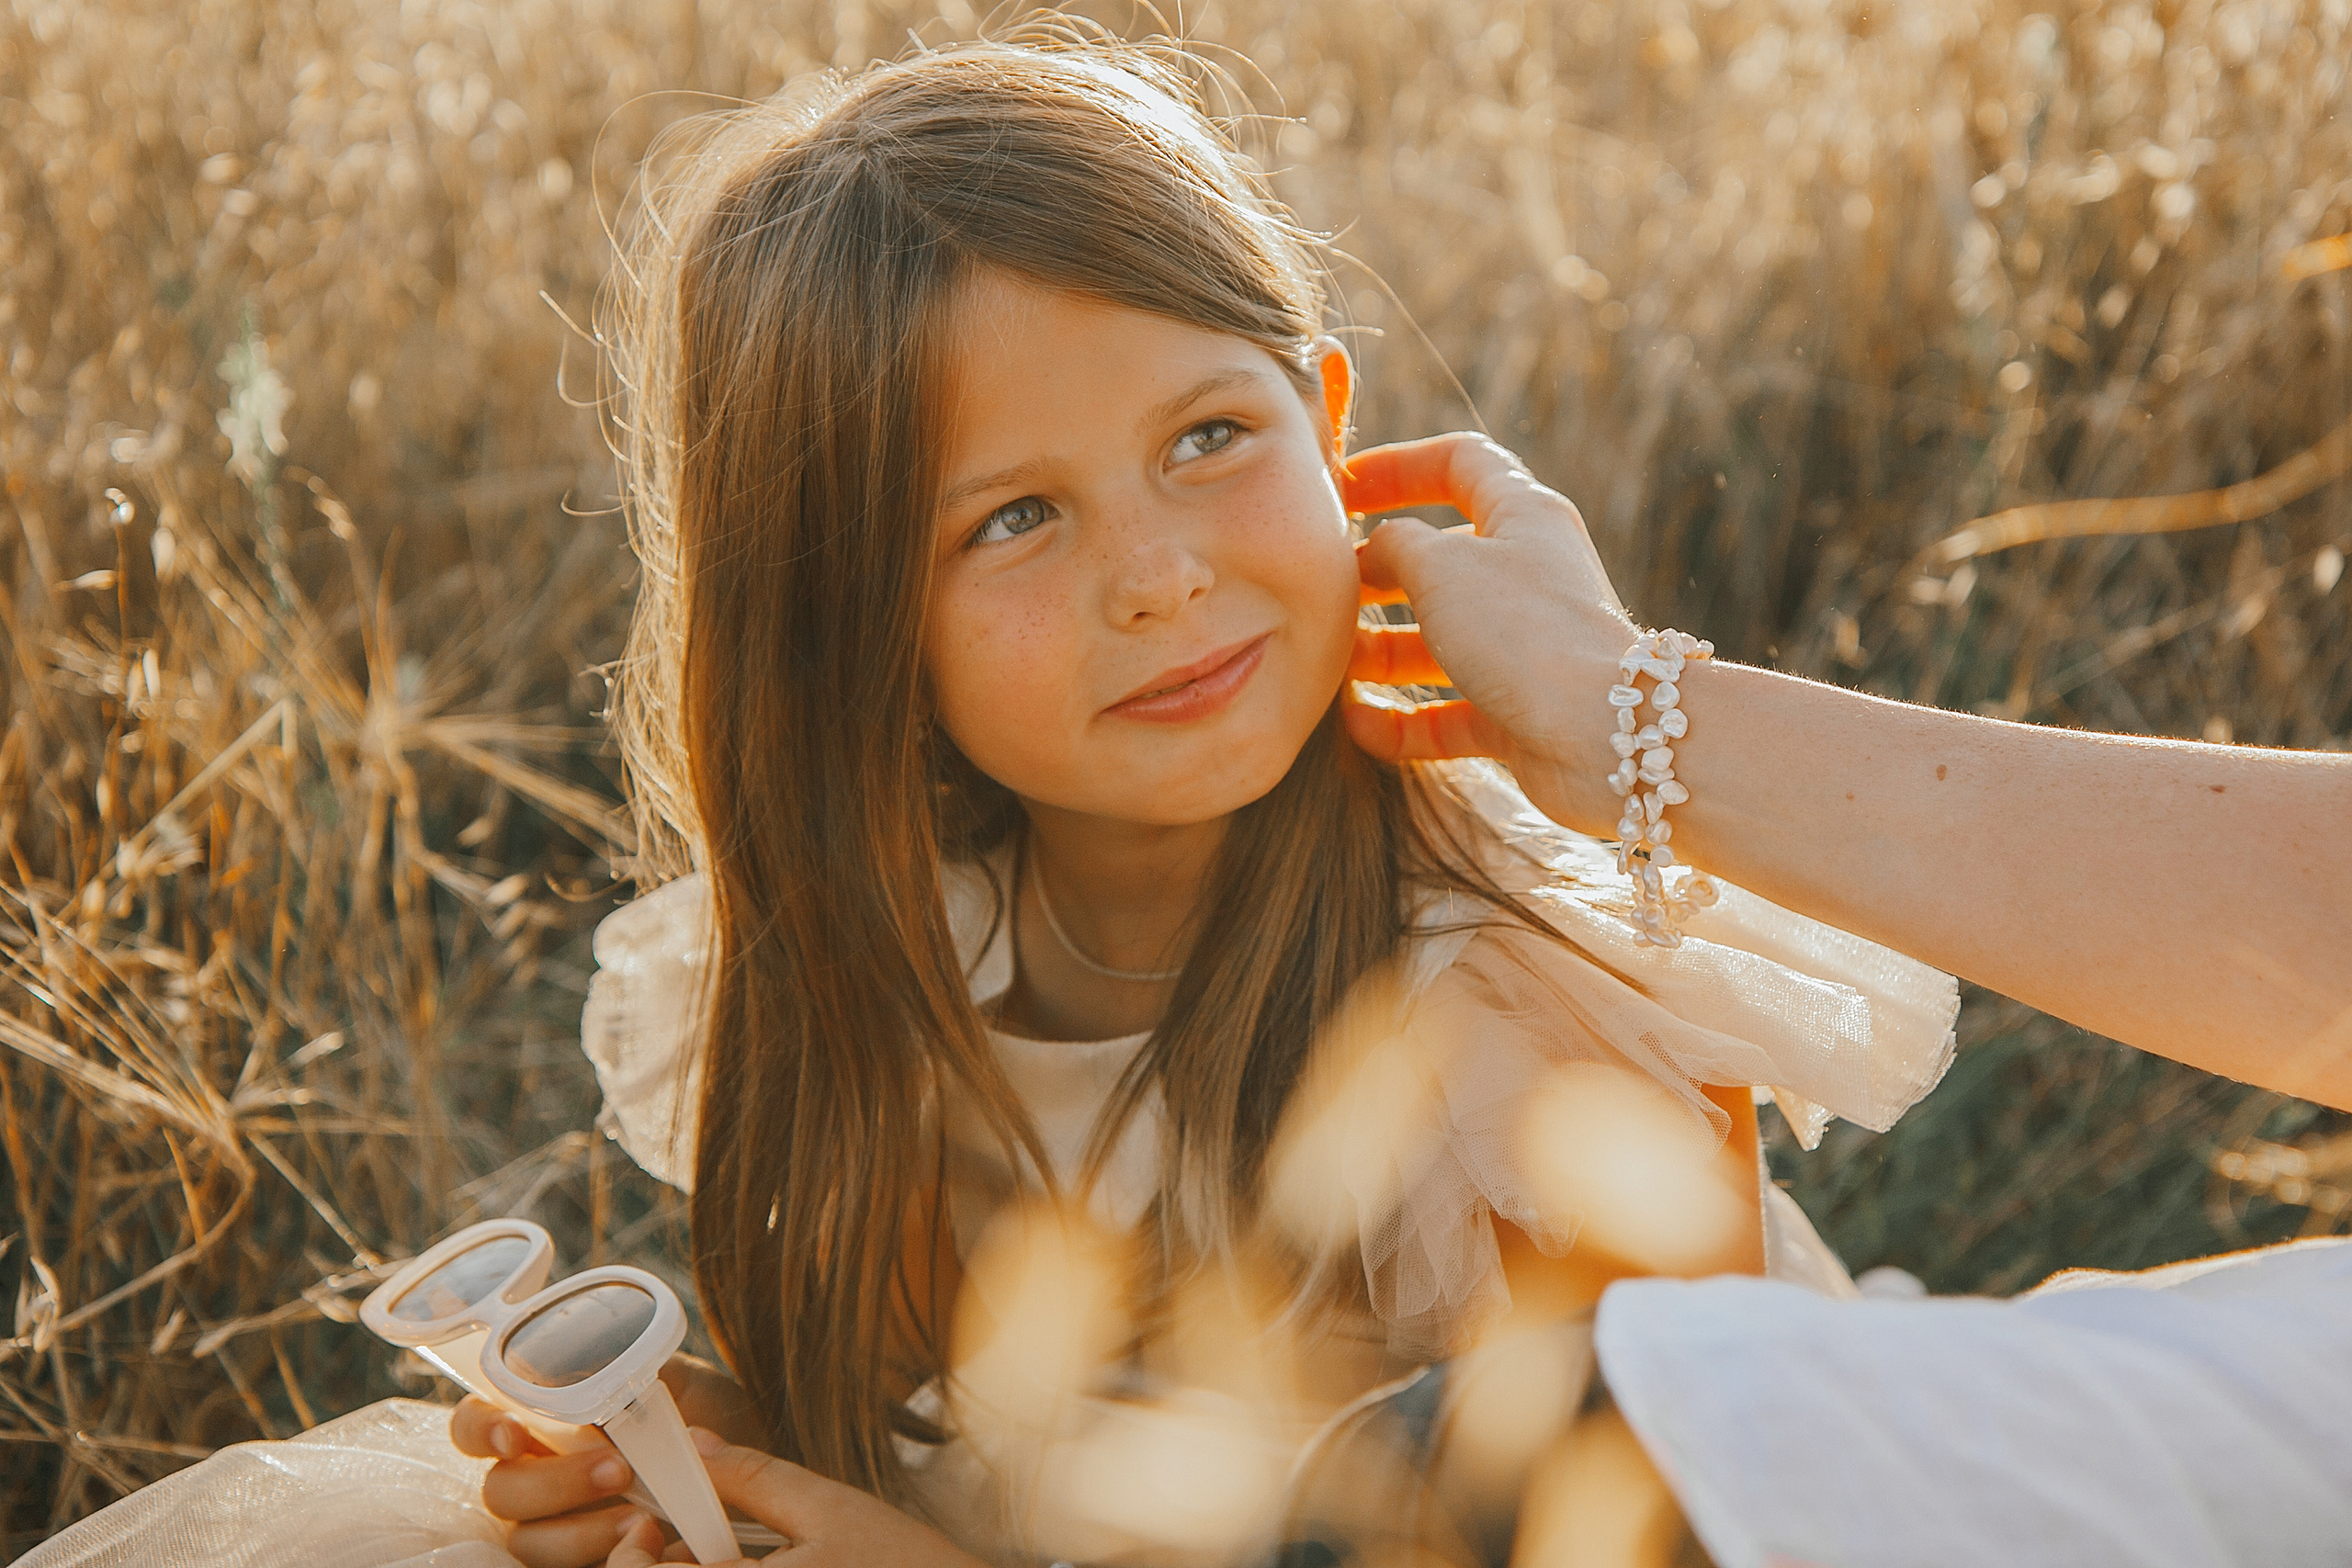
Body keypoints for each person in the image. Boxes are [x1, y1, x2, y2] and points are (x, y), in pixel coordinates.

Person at [455, 29, 1958, 1568]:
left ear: (1330, 419)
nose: (1163, 578)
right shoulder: (916, 952)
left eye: (1209, 437)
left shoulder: (1537, 1030)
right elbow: (978, 1444)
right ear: (847, 622)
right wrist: (726, 1457)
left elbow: (1658, 1537)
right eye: (1017, 517)